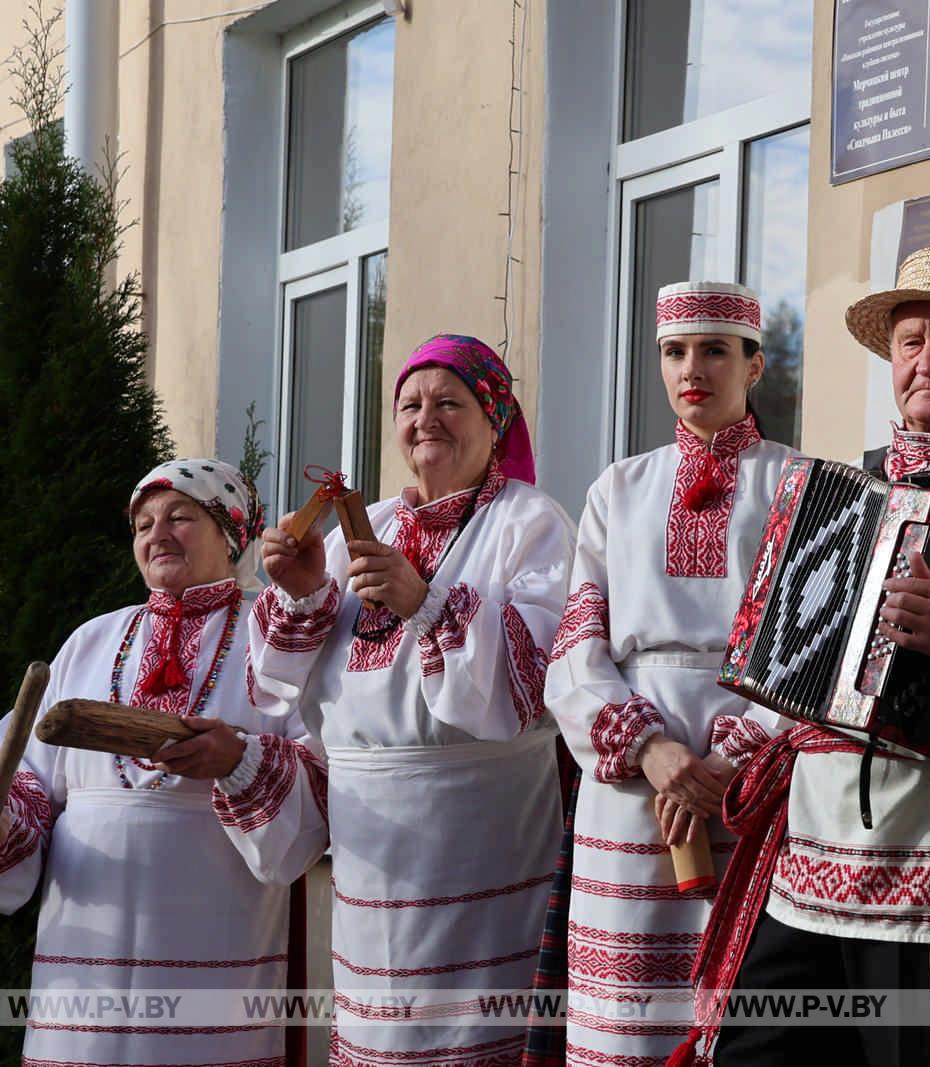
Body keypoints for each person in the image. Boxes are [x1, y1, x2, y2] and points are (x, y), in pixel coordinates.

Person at [684, 247, 930, 1065]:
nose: (927, 362)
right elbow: (787, 650)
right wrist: (729, 753)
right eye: (911, 342)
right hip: (810, 859)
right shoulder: (841, 483)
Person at [251, 334, 575, 1066]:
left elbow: (538, 673)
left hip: (480, 841)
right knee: (378, 1034)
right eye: (409, 404)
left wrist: (424, 601)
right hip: (368, 855)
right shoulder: (368, 528)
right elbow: (284, 687)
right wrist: (302, 592)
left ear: (494, 421)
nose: (425, 417)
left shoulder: (532, 522)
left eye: (448, 402)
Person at [535, 281, 796, 1065]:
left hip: (753, 795)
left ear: (754, 365)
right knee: (624, 1027)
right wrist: (652, 750)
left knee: (745, 1021)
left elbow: (812, 649)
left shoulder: (801, 481)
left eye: (716, 350)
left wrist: (729, 760)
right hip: (629, 795)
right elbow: (577, 645)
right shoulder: (618, 488)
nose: (694, 369)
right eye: (676, 351)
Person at [0, 459, 327, 1065]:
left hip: (216, 917)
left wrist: (240, 758)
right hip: (86, 928)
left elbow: (321, 765)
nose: (157, 534)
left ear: (232, 535)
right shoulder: (91, 638)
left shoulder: (274, 634)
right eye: (143, 523)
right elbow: (31, 783)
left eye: (180, 516)